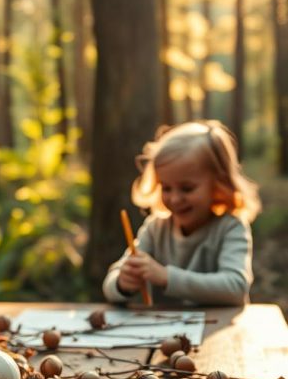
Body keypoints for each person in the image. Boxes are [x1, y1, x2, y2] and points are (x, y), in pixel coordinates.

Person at [102, 120, 261, 307]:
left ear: (218, 184)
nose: (175, 199)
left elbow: (235, 287)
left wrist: (166, 277)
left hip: (222, 332)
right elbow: (110, 285)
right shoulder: (156, 228)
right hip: (166, 333)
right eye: (166, 188)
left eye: (187, 188)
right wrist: (123, 283)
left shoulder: (231, 228)